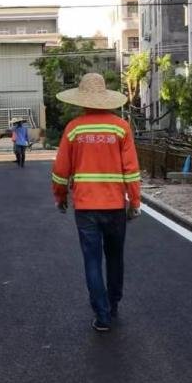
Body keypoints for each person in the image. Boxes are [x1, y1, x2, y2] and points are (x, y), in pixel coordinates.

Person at [51, 73, 141, 333]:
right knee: (115, 258)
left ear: (82, 100)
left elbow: (60, 171)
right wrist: (134, 201)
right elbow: (131, 169)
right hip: (115, 206)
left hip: (86, 207)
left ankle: (101, 315)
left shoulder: (74, 129)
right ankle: (113, 305)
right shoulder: (120, 128)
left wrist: (60, 197)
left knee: (92, 261)